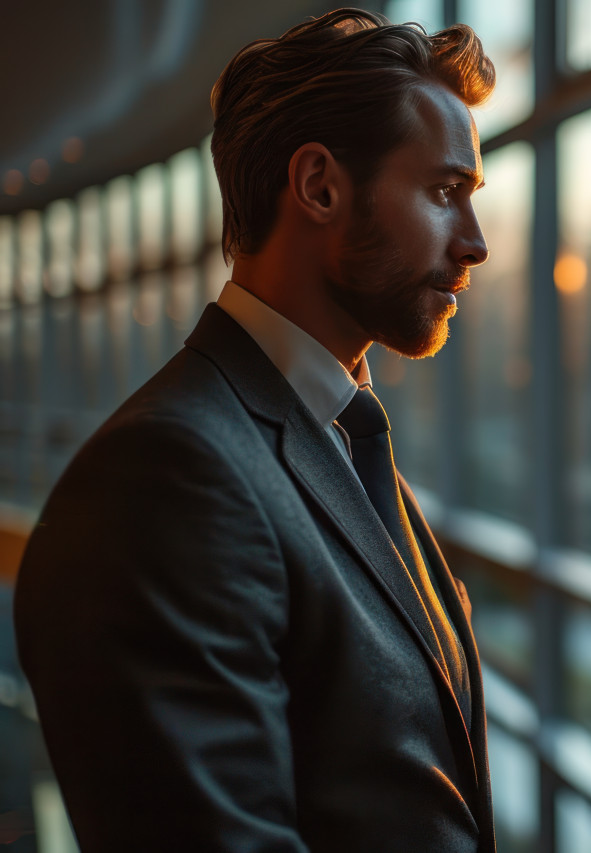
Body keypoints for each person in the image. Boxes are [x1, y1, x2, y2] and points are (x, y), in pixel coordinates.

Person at [15, 10, 495, 852]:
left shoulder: (339, 440)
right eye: (445, 192)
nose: (476, 243)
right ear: (317, 185)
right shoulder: (168, 476)